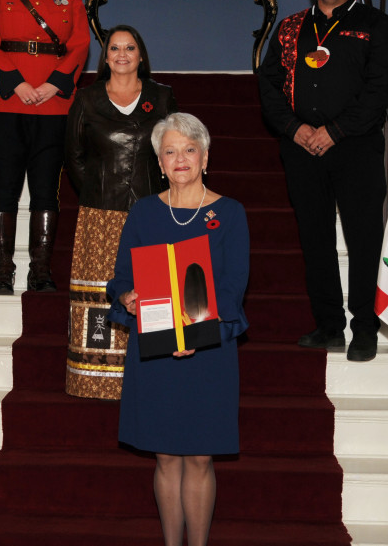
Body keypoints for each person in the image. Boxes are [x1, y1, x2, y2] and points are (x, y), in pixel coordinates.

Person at [107, 113, 250, 546]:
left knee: (201, 457)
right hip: (155, 352)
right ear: (159, 162)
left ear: (205, 157)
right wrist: (127, 297)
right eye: (170, 151)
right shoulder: (144, 212)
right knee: (166, 457)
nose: (180, 158)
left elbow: (231, 288)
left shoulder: (229, 213)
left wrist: (193, 335)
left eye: (189, 149)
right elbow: (119, 278)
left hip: (209, 351)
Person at [256, 0, 388, 361]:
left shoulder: (377, 25)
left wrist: (335, 131)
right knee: (314, 239)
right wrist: (296, 129)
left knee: (364, 239)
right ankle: (329, 326)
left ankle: (366, 329)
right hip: (301, 150)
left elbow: (378, 92)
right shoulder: (290, 28)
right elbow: (268, 86)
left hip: (355, 148)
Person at [0, 0, 91, 294]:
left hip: (54, 106)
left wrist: (53, 84)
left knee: (46, 191)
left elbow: (79, 44)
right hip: (6, 103)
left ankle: (40, 271)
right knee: (5, 190)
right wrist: (17, 84)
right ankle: (3, 272)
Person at [64, 25, 177, 399]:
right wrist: (100, 191)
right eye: (115, 48)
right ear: (106, 55)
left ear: (141, 55)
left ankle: (152, 376)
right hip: (100, 213)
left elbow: (172, 153)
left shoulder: (162, 99)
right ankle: (97, 380)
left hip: (151, 212)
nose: (122, 54)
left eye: (130, 47)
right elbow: (75, 158)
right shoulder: (87, 98)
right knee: (101, 297)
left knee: (152, 292)